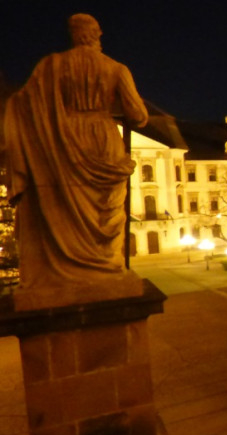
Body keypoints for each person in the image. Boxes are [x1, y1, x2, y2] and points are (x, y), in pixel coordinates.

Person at [4, 14, 149, 293]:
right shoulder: (116, 68)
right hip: (104, 138)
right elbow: (138, 115)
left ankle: (67, 269)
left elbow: (20, 103)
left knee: (62, 204)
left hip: (63, 140)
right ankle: (107, 266)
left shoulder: (51, 66)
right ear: (96, 35)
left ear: (73, 35)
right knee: (107, 207)